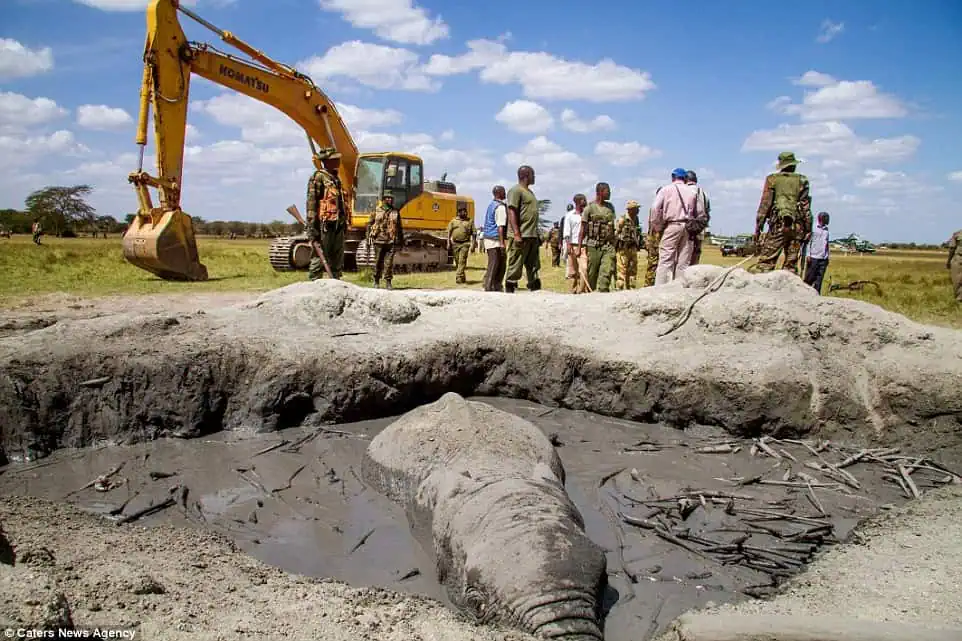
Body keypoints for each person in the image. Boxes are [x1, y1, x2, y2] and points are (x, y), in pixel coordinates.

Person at [752, 151, 812, 275]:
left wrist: (758, 227)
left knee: (766, 263)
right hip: (797, 227)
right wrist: (808, 229)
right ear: (793, 165)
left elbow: (765, 205)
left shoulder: (772, 179)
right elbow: (806, 208)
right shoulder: (802, 180)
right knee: (791, 266)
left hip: (778, 226)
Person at [650, 168, 707, 285]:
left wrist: (657, 225)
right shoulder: (693, 192)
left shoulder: (666, 190)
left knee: (666, 259)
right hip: (688, 227)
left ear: (672, 177)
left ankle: (661, 287)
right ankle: (680, 287)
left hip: (672, 224)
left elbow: (655, 208)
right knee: (683, 262)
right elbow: (701, 213)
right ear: (685, 178)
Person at [306, 148, 351, 279]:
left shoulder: (336, 179)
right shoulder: (318, 177)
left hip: (338, 224)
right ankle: (315, 283)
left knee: (337, 257)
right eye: (334, 159)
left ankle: (335, 283)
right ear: (326, 161)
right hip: (324, 225)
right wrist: (312, 227)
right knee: (319, 257)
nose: (338, 161)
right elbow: (312, 203)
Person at [504, 165, 541, 293]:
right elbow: (512, 212)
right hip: (521, 235)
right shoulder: (515, 191)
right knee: (516, 264)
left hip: (531, 235)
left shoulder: (529, 192)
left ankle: (534, 287)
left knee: (534, 265)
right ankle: (510, 288)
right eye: (533, 174)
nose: (534, 177)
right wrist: (517, 234)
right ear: (526, 176)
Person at [578, 182, 617, 292]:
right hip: (593, 246)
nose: (609, 193)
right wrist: (579, 247)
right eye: (607, 191)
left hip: (607, 246)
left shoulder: (610, 207)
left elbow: (612, 228)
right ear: (600, 192)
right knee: (592, 274)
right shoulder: (589, 208)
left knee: (606, 271)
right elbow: (583, 230)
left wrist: (614, 244)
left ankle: (603, 292)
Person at [366, 193, 404, 289]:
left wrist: (401, 241)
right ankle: (376, 281)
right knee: (378, 262)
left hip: (391, 241)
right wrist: (368, 239)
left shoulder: (395, 212)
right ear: (383, 199)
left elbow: (399, 227)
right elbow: (369, 225)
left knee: (389, 263)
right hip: (378, 240)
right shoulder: (376, 210)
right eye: (387, 198)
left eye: (391, 198)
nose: (389, 200)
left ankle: (388, 282)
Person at [481, 185, 508, 291]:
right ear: (499, 193)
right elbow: (500, 226)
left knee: (495, 263)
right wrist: (502, 243)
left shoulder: (491, 204)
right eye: (503, 192)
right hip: (495, 239)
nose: (505, 193)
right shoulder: (500, 207)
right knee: (496, 264)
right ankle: (490, 286)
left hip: (488, 237)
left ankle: (493, 285)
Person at [615, 200, 643, 289]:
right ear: (630, 210)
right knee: (621, 272)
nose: (638, 211)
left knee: (633, 271)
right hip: (623, 249)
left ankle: (631, 289)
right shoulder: (622, 219)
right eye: (636, 209)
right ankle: (620, 289)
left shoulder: (636, 219)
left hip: (633, 248)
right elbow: (616, 233)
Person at [684, 171, 711, 265]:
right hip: (699, 227)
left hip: (687, 226)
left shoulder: (685, 190)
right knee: (696, 253)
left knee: (684, 254)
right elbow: (707, 211)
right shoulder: (703, 193)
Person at [803, 211, 831, 294]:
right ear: (821, 218)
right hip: (813, 257)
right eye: (826, 218)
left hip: (823, 258)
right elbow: (809, 242)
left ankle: (816, 295)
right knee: (809, 278)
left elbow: (826, 244)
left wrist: (827, 256)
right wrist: (808, 255)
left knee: (819, 279)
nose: (828, 220)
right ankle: (804, 294)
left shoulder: (826, 230)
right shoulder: (813, 228)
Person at [447, 205, 474, 284]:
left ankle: (458, 276)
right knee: (458, 261)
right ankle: (462, 277)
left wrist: (473, 244)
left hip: (465, 243)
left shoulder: (470, 221)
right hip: (455, 244)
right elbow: (449, 232)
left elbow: (474, 233)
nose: (465, 213)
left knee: (462, 260)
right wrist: (448, 242)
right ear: (458, 213)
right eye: (463, 211)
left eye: (465, 211)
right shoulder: (453, 221)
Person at [643, 188, 662, 287]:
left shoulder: (654, 208)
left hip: (657, 241)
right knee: (652, 266)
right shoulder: (657, 208)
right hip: (655, 241)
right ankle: (648, 286)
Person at [948, 228, 962, 303]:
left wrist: (949, 261)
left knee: (957, 280)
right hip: (959, 258)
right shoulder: (956, 234)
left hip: (958, 258)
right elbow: (952, 249)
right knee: (957, 280)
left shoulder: (957, 234)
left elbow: (952, 249)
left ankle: (959, 298)